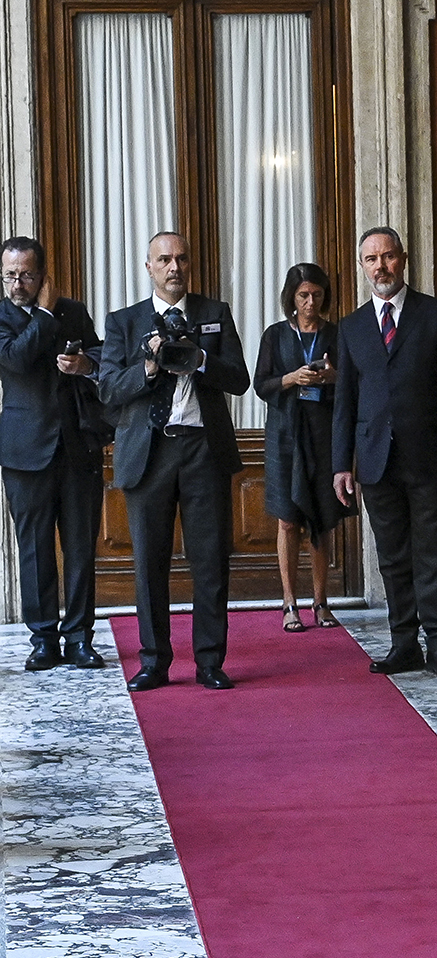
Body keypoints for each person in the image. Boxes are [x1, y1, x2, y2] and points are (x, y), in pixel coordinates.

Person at [98, 231, 250, 692]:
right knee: (149, 564)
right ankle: (154, 662)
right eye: (164, 259)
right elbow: (107, 391)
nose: (174, 267)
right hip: (149, 453)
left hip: (204, 449)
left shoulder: (212, 314)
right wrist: (149, 366)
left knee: (210, 562)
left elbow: (240, 380)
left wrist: (201, 359)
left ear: (190, 264)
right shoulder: (124, 322)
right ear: (149, 267)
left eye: (181, 258)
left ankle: (209, 662)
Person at [333, 226, 437, 678]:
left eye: (388, 257)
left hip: (430, 456)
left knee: (432, 553)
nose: (381, 267)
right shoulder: (351, 327)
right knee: (391, 555)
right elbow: (345, 404)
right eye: (372, 260)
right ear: (363, 266)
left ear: (404, 258)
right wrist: (341, 465)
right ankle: (403, 643)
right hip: (375, 461)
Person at [0, 235, 110, 671]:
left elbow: (102, 352)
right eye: (9, 275)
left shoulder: (75, 312)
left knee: (81, 546)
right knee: (35, 546)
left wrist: (86, 365)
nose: (17, 283)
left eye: (26, 274)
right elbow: (18, 359)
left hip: (77, 444)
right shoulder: (4, 316)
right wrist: (44, 312)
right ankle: (43, 637)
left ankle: (80, 636)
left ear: (42, 275)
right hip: (24, 450)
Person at [253, 262, 354, 633]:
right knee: (288, 518)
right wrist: (292, 378)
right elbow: (260, 385)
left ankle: (321, 601)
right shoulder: (275, 335)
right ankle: (289, 602)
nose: (310, 302)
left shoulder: (337, 333)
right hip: (285, 436)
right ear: (291, 299)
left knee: (323, 520)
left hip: (325, 433)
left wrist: (332, 376)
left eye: (316, 295)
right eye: (303, 296)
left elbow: (355, 380)